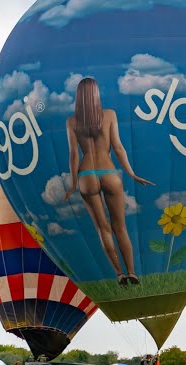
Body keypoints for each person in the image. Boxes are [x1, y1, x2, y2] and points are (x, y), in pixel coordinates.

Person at [63, 77, 153, 285]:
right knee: (119, 226)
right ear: (96, 94)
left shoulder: (72, 122)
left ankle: (119, 273)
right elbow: (118, 147)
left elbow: (73, 156)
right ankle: (132, 273)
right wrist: (131, 174)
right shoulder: (109, 115)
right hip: (109, 172)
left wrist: (73, 184)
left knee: (103, 229)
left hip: (86, 175)